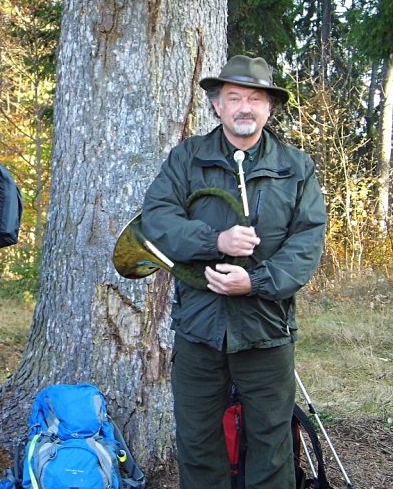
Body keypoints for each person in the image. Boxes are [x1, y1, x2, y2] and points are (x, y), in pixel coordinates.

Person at [140, 55, 327, 489]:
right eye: (234, 97)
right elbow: (157, 219)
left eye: (255, 99)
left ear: (269, 108)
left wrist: (255, 283)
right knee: (199, 441)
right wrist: (215, 241)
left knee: (271, 442)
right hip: (199, 329)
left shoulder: (296, 167)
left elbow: (307, 242)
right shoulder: (187, 159)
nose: (245, 107)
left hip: (267, 329)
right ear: (216, 105)